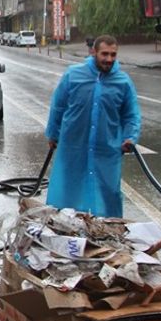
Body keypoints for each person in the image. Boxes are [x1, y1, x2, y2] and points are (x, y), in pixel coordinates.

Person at [44, 35, 142, 217]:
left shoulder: (123, 82)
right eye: (104, 54)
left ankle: (110, 232)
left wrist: (130, 136)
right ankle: (65, 230)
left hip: (107, 150)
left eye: (113, 55)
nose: (109, 59)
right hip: (73, 146)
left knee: (109, 193)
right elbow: (58, 106)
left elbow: (131, 115)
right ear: (94, 52)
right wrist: (53, 133)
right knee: (68, 192)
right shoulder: (73, 75)